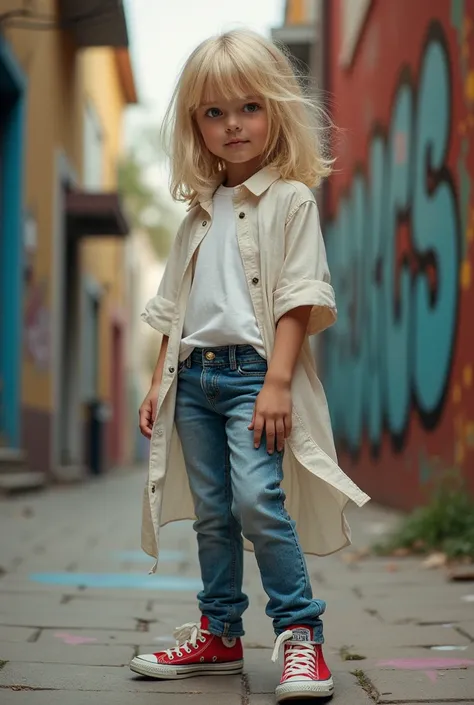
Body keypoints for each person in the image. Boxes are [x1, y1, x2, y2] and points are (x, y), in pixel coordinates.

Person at [129, 29, 370, 702]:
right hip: (195, 379)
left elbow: (299, 298)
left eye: (249, 107)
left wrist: (278, 382)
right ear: (194, 127)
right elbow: (172, 308)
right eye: (214, 112)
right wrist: (157, 381)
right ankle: (220, 632)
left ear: (276, 112)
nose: (233, 125)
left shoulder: (291, 200)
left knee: (257, 498)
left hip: (253, 378)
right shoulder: (196, 216)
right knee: (212, 512)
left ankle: (301, 637)